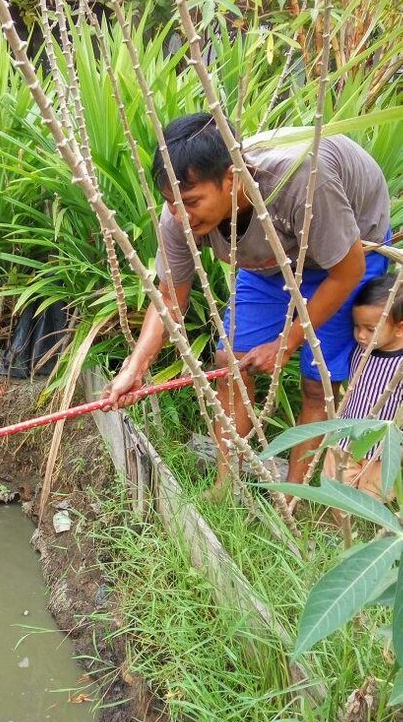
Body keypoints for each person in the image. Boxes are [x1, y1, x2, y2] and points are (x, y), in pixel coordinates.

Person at [104, 113, 391, 485]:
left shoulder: (301, 182)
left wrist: (285, 342)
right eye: (171, 203)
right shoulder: (178, 216)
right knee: (230, 362)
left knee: (316, 383)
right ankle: (228, 487)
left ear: (232, 177)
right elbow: (170, 300)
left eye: (190, 202)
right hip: (271, 262)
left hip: (350, 250)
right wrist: (136, 366)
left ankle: (294, 497)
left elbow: (346, 272)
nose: (180, 215)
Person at [322, 274, 403, 499]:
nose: (360, 335)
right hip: (346, 439)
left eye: (370, 328)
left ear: (400, 329)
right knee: (335, 494)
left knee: (371, 502)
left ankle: (366, 533)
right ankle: (335, 529)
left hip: (381, 451)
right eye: (357, 326)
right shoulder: (359, 349)